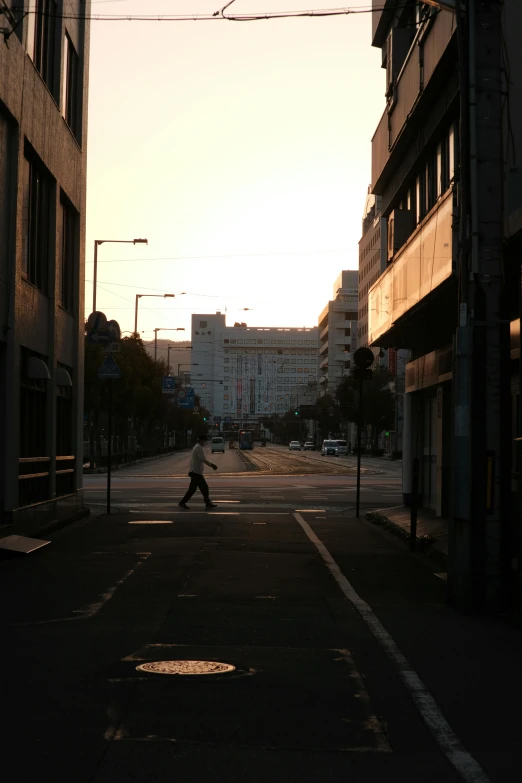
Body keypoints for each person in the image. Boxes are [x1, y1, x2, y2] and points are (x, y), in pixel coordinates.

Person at [178, 434, 218, 509]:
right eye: (204, 441)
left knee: (193, 489)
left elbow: (194, 460)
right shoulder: (198, 447)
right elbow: (202, 459)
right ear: (201, 440)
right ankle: (207, 503)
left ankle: (183, 502)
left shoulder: (197, 447)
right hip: (196, 473)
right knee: (204, 488)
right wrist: (211, 465)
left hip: (196, 472)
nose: (204, 442)